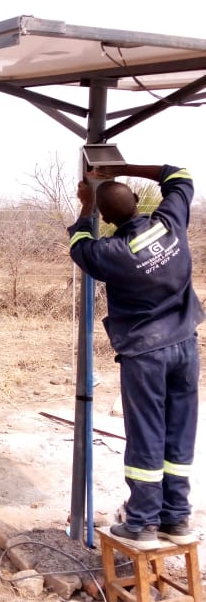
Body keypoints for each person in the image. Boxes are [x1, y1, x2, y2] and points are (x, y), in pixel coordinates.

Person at [68, 163, 204, 550]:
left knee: (146, 433)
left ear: (106, 218)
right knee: (180, 431)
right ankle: (176, 517)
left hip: (146, 353)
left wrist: (85, 206)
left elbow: (79, 244)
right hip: (185, 345)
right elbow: (179, 177)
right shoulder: (170, 224)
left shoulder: (113, 252)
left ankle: (142, 521)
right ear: (140, 201)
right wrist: (123, 168)